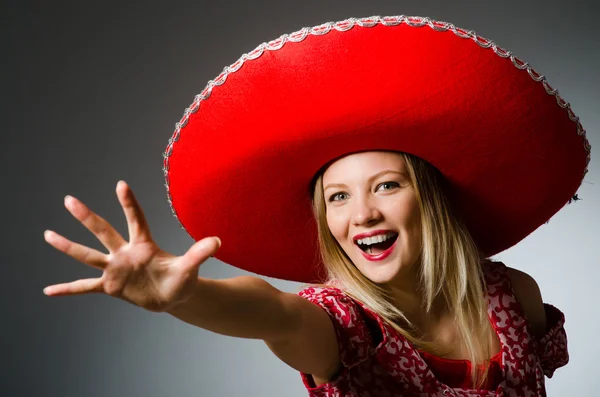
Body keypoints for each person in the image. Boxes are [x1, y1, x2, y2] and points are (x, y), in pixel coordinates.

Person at [43, 15, 587, 396]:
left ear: (433, 201)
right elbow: (273, 313)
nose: (363, 214)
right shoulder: (343, 326)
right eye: (338, 197)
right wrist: (184, 297)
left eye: (388, 186)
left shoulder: (512, 295)